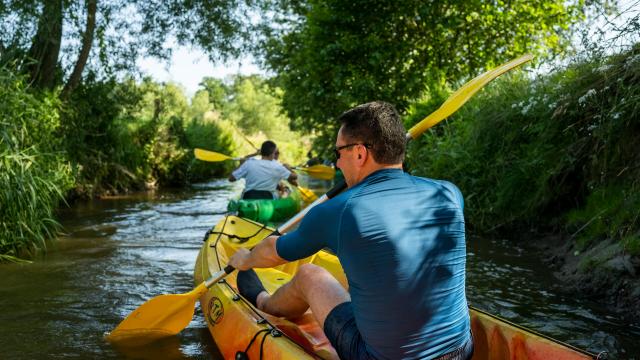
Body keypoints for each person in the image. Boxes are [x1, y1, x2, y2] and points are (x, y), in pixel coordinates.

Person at [228, 101, 473, 360]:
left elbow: (273, 253)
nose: (336, 164)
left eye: (338, 153)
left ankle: (264, 301)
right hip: (463, 350)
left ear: (359, 153)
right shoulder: (449, 192)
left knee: (309, 274)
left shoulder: (339, 210)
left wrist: (246, 259)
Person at [228, 140, 298, 200]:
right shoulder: (278, 166)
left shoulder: (249, 163)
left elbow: (231, 178)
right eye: (275, 153)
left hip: (249, 198)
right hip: (268, 199)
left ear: (261, 152)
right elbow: (295, 177)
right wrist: (288, 168)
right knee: (283, 191)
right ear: (272, 153)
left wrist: (241, 164)